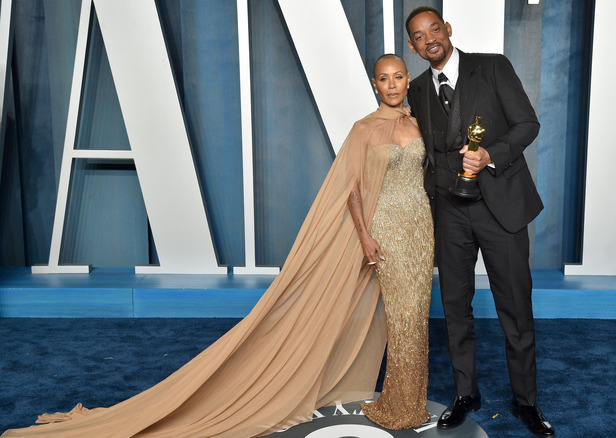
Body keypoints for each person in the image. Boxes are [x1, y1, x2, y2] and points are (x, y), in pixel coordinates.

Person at [3, 55, 433, 437]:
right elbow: (352, 189)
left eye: (398, 77)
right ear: (374, 83)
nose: (392, 84)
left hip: (421, 229)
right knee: (400, 318)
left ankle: (406, 402)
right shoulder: (364, 129)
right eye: (384, 78)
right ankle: (399, 405)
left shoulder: (418, 123)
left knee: (414, 316)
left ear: (407, 80)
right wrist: (363, 235)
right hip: (385, 232)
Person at [405, 6, 555, 438]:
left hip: (500, 205)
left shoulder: (491, 68)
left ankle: (526, 402)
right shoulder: (416, 89)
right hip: (449, 211)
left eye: (435, 29)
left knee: (515, 307)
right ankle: (465, 393)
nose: (429, 38)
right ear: (413, 46)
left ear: (448, 30)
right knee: (455, 307)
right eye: (418, 35)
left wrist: (492, 155)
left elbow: (528, 123)